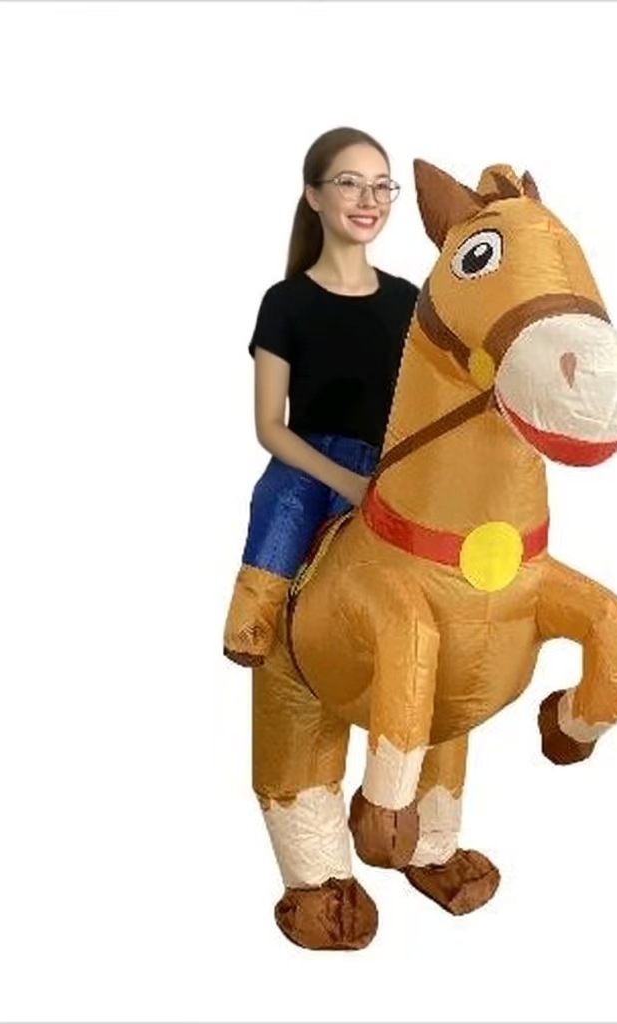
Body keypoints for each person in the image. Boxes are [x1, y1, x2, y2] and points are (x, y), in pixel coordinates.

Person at [223, 127, 420, 667]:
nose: (369, 199)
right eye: (351, 183)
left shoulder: (408, 301)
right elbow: (270, 426)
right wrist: (345, 481)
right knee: (286, 496)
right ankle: (254, 610)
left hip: (386, 462)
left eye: (382, 186)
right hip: (309, 459)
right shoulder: (285, 303)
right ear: (314, 195)